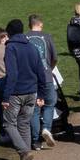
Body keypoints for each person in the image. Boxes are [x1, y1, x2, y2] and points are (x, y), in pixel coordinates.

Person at [1, 18, 47, 160]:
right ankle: (26, 157)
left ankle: (24, 152)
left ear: (10, 33)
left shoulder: (11, 48)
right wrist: (41, 94)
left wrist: (6, 96)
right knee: (24, 123)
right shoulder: (32, 47)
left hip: (16, 92)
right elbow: (41, 72)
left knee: (8, 123)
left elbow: (12, 74)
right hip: (32, 92)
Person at [26, 15, 58, 150]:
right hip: (46, 75)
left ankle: (35, 141)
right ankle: (46, 128)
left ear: (30, 25)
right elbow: (54, 57)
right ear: (41, 24)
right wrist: (49, 68)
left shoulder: (25, 38)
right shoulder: (47, 36)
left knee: (34, 109)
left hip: (30, 78)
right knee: (50, 103)